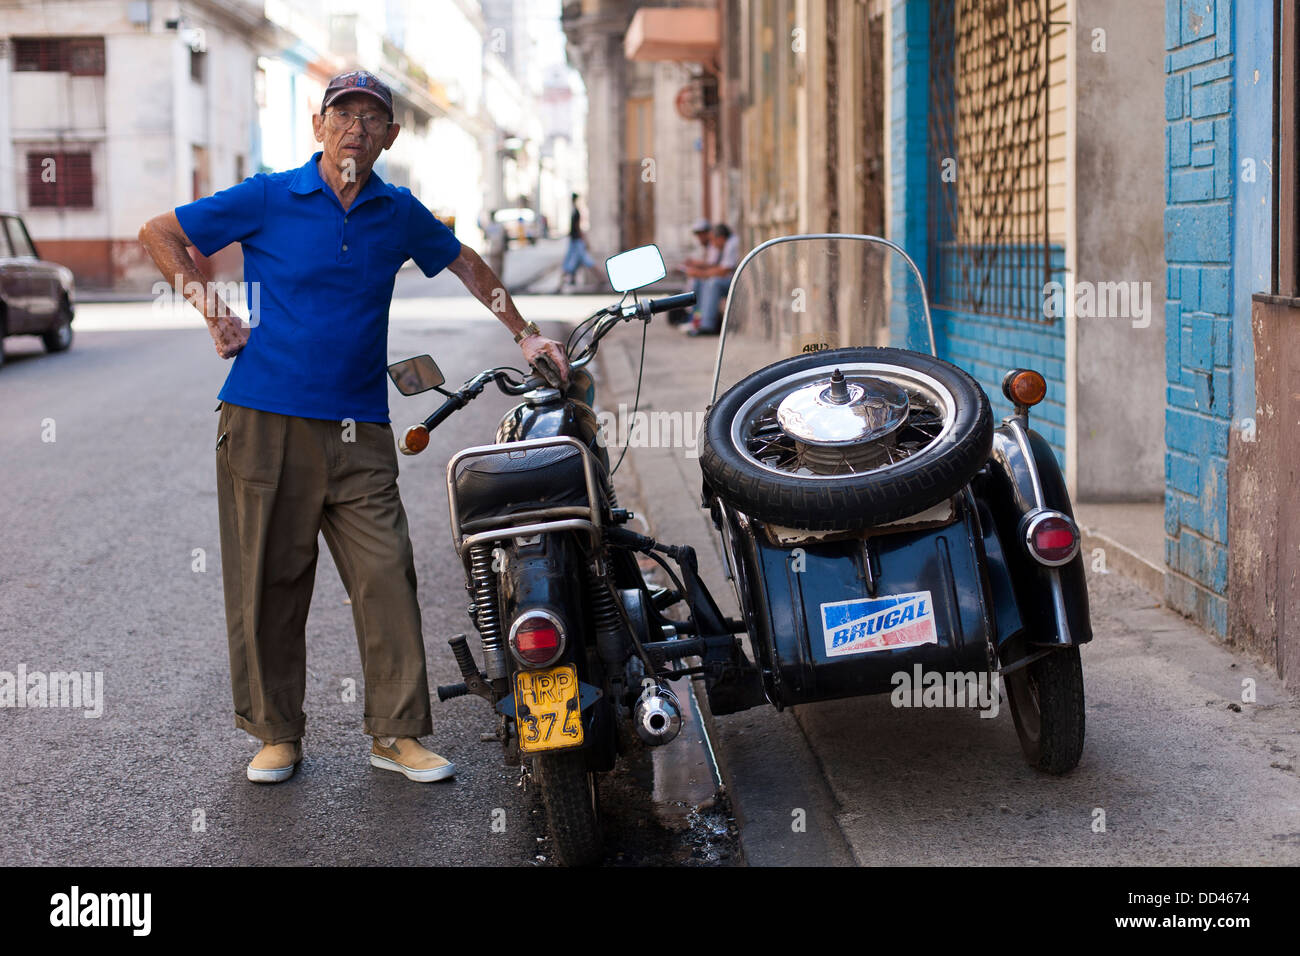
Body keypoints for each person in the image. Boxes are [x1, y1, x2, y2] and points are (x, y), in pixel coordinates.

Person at [137, 69, 570, 786]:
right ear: (318, 125)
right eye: (344, 113)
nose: (356, 128)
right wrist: (211, 308)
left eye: (372, 118)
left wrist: (524, 334)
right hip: (264, 419)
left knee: (387, 575)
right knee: (270, 583)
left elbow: (463, 261)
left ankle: (395, 734)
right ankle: (276, 734)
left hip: (360, 427)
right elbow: (161, 233)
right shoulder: (272, 196)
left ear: (391, 137)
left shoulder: (396, 211)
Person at [683, 223, 740, 336]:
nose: (713, 244)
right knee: (701, 282)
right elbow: (716, 266)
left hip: (736, 282)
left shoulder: (732, 244)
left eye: (714, 241)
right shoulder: (725, 244)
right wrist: (700, 272)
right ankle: (696, 321)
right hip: (728, 278)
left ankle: (707, 325)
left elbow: (725, 270)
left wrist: (701, 273)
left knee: (713, 283)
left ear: (721, 238)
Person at [560, 192, 596, 291]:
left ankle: (603, 278)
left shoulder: (576, 212)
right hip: (575, 241)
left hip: (577, 241)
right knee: (573, 262)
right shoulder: (575, 211)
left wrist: (585, 241)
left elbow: (578, 228)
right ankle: (567, 281)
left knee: (583, 261)